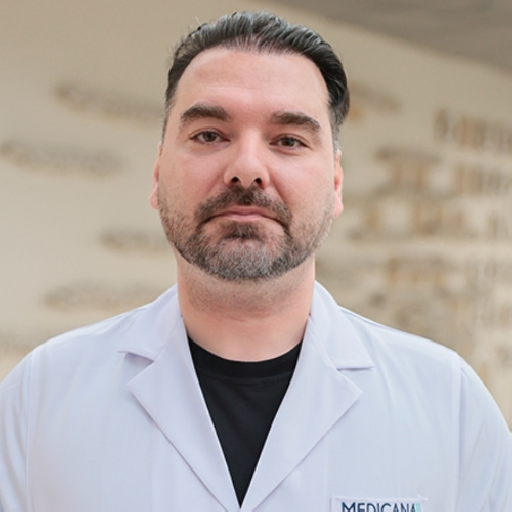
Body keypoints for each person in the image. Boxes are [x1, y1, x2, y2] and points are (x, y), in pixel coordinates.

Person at [0, 10, 511, 512]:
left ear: (335, 184)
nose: (246, 169)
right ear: (157, 175)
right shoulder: (40, 399)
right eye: (209, 135)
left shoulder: (450, 406)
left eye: (288, 140)